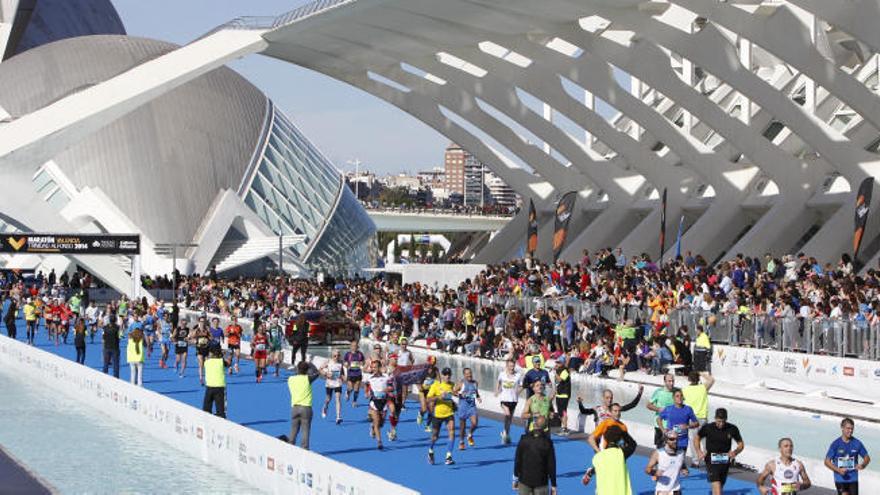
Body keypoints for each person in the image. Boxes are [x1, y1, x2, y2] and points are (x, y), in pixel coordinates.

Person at [694, 408, 744, 495]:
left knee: (720, 485)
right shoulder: (708, 427)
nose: (721, 424)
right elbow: (697, 438)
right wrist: (699, 451)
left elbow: (741, 444)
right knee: (716, 484)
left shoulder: (732, 428)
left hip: (725, 459)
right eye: (719, 421)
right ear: (715, 418)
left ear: (726, 419)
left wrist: (735, 452)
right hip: (710, 459)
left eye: (723, 421)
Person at [581, 425, 633, 495]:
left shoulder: (598, 457)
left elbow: (598, 468)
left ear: (606, 438)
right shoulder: (621, 454)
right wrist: (623, 431)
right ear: (620, 439)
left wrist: (590, 474)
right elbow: (633, 444)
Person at [824, 417, 870, 495]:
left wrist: (863, 465)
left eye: (852, 429)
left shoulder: (857, 443)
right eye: (848, 428)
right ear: (842, 428)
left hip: (853, 478)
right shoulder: (836, 444)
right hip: (840, 478)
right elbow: (826, 461)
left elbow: (867, 458)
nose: (850, 431)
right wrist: (838, 470)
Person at [513, 415, 558, 495]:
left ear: (534, 424)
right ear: (545, 427)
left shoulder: (524, 439)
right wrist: (553, 485)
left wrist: (515, 478)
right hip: (541, 482)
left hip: (524, 481)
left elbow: (517, 460)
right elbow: (551, 465)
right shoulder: (547, 443)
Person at [683, 371, 715, 466]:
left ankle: (695, 461)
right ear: (698, 379)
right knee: (705, 440)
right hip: (702, 418)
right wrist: (701, 373)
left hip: (691, 419)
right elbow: (711, 380)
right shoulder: (703, 388)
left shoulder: (685, 390)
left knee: (694, 440)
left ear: (689, 379)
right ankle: (707, 459)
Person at [427, 367, 457, 465]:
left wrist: (455, 395)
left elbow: (456, 394)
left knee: (452, 432)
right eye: (445, 374)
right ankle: (430, 450)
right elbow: (428, 399)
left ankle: (448, 456)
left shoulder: (452, 385)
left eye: (449, 374)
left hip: (449, 413)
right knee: (435, 436)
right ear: (442, 375)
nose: (447, 376)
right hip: (438, 414)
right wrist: (438, 397)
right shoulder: (436, 385)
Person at [288, 360, 319, 450]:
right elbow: (316, 373)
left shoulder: (291, 379)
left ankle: (289, 447)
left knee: (293, 430)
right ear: (306, 370)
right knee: (305, 430)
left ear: (298, 369)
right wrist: (310, 363)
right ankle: (304, 449)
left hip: (295, 407)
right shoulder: (307, 379)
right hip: (306, 408)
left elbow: (297, 373)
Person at [645, 430, 688, 495]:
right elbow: (647, 469)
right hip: (662, 491)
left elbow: (682, 464)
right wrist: (655, 472)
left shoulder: (681, 453)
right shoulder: (659, 453)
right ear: (666, 440)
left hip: (676, 490)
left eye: (676, 439)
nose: (675, 441)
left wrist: (685, 470)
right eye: (672, 439)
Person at [577, 385, 644, 426]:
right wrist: (580, 403)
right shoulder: (597, 409)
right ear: (603, 398)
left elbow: (632, 405)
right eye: (607, 398)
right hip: (599, 439)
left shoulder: (615, 409)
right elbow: (584, 411)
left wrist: (640, 393)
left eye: (611, 398)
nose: (609, 400)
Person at [367, 360, 393, 450]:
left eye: (375, 367)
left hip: (384, 402)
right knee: (377, 422)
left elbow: (391, 386)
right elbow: (367, 386)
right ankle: (379, 442)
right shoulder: (370, 378)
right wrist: (367, 393)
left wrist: (388, 389)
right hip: (374, 402)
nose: (374, 369)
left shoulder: (386, 377)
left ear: (380, 367)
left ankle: (373, 427)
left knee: (381, 424)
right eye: (372, 367)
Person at [496, 358, 522, 444]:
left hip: (514, 399)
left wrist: (518, 391)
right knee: (507, 414)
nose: (511, 368)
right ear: (507, 366)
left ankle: (506, 433)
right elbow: (498, 382)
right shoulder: (502, 374)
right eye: (510, 366)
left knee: (510, 419)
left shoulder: (518, 375)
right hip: (504, 399)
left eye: (513, 366)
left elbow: (521, 385)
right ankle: (505, 434)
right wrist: (497, 390)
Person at [454, 367, 481, 449]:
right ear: (464, 375)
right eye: (467, 374)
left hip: (472, 407)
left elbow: (476, 392)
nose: (469, 375)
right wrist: (460, 395)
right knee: (462, 427)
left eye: (470, 373)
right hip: (463, 407)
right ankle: (461, 442)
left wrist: (478, 397)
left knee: (475, 423)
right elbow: (453, 391)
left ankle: (469, 434)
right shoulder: (461, 383)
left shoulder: (475, 383)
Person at [202, 343, 231, 418]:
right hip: (220, 387)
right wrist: (226, 355)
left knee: (206, 409)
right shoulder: (221, 361)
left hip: (209, 387)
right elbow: (228, 363)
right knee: (220, 410)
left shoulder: (206, 361)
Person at [647, 373, 676, 448]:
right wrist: (658, 409)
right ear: (665, 382)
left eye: (673, 381)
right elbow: (648, 405)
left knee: (673, 449)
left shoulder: (677, 392)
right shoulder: (658, 392)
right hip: (660, 425)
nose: (671, 383)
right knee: (659, 449)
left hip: (673, 426)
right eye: (669, 381)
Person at [321, 349, 344, 425]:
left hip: (338, 383)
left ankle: (338, 417)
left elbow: (342, 373)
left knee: (338, 399)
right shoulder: (328, 362)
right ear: (332, 356)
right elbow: (320, 369)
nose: (336, 357)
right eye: (335, 356)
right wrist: (325, 374)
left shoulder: (341, 363)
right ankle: (325, 407)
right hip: (329, 384)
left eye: (338, 356)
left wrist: (343, 377)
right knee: (328, 399)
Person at [343, 339, 365, 407]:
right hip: (350, 373)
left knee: (357, 388)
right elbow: (344, 362)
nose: (354, 347)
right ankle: (348, 392)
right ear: (350, 346)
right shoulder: (348, 354)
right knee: (351, 388)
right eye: (353, 346)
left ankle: (354, 401)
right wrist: (346, 364)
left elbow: (363, 362)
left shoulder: (360, 354)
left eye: (355, 346)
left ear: (357, 347)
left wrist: (362, 363)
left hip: (358, 373)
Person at [418, 361, 439, 433]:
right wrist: (420, 387)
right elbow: (418, 381)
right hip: (423, 391)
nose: (432, 366)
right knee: (424, 409)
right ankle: (420, 413)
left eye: (433, 364)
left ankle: (427, 426)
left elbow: (439, 380)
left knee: (431, 409)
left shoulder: (436, 370)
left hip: (431, 391)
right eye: (431, 364)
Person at [553, 360, 571, 435]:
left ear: (562, 364)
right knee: (560, 412)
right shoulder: (559, 371)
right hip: (559, 394)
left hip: (564, 395)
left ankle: (565, 428)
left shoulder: (564, 371)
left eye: (559, 363)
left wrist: (555, 372)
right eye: (556, 363)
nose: (557, 364)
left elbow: (560, 379)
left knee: (563, 411)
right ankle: (563, 427)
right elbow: (556, 383)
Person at [193, 319, 211, 385]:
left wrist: (209, 336)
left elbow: (211, 338)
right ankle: (201, 378)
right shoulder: (196, 330)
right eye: (201, 322)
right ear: (199, 323)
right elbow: (192, 336)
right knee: (201, 363)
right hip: (199, 348)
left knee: (206, 364)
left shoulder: (207, 330)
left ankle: (207, 377)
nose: (202, 324)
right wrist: (194, 340)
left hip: (206, 348)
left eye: (203, 322)